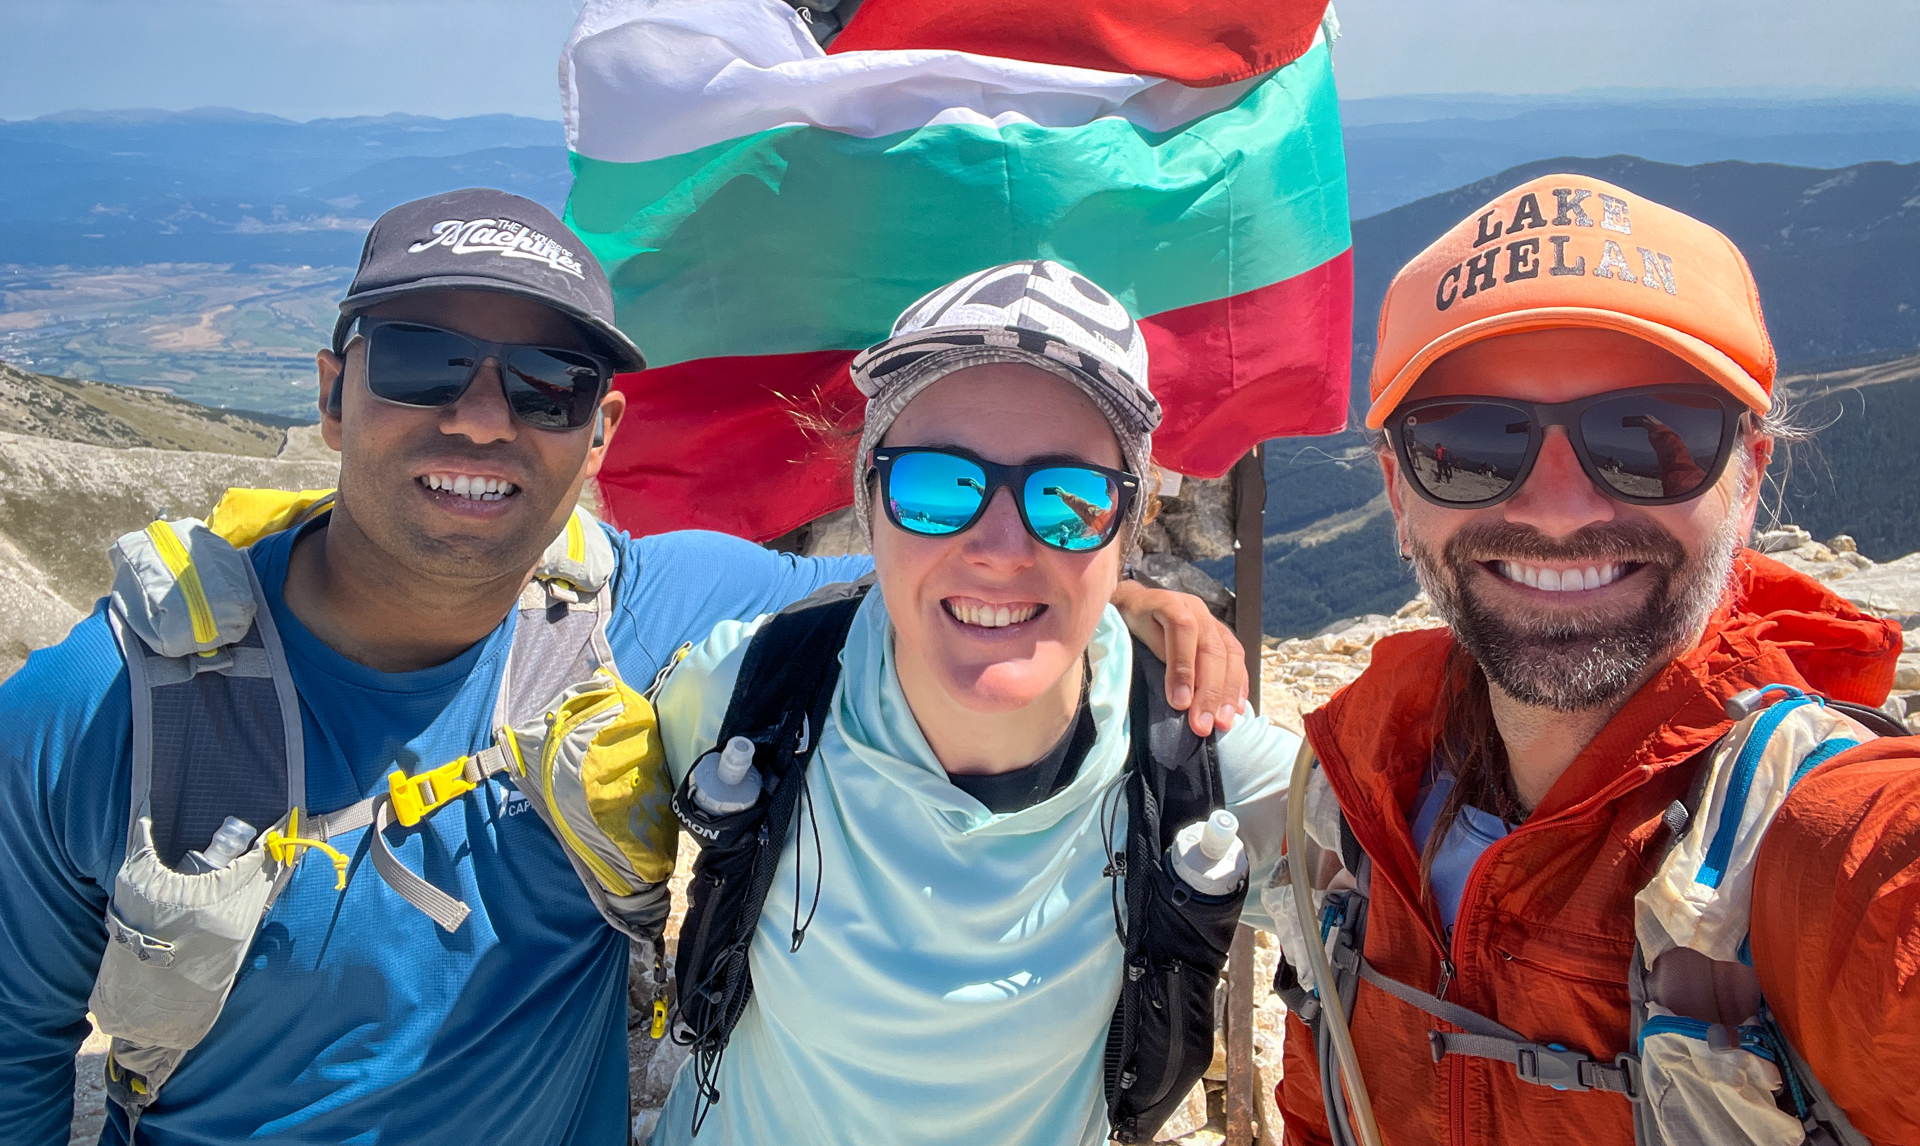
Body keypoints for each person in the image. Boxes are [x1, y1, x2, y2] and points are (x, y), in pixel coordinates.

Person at [0, 192, 1246, 1146]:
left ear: (600, 435)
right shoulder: (96, 712)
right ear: (334, 395)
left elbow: (948, 593)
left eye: (548, 386)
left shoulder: (656, 611)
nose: (483, 417)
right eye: (426, 362)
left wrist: (1119, 591)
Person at [1276, 175, 1920, 1146]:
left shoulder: (1823, 851)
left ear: (1748, 482)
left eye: (1649, 438)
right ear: (1400, 497)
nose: (1558, 507)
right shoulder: (1351, 794)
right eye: (1470, 442)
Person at [645, 260, 1304, 1146]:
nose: (999, 547)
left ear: (1129, 528)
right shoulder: (752, 693)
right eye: (936, 486)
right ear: (868, 503)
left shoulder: (1199, 761)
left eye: (1067, 504)